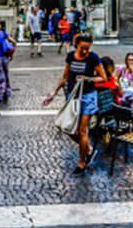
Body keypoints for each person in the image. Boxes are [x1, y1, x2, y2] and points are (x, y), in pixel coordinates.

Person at [43, 32, 107, 174]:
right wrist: (53, 93)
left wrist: (88, 78)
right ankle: (88, 149)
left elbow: (103, 78)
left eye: (87, 48)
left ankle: (82, 162)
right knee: (69, 129)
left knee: (83, 131)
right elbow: (65, 77)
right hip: (73, 97)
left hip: (88, 97)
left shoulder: (93, 58)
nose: (84, 51)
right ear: (76, 45)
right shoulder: (71, 56)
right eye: (82, 48)